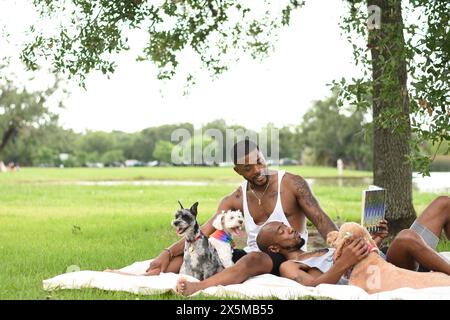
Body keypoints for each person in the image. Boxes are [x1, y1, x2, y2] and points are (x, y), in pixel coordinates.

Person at [148, 139, 370, 296]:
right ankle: (149, 276)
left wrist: (338, 241)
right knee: (182, 259)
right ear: (238, 171)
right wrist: (165, 254)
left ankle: (199, 287)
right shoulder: (235, 197)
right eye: (248, 168)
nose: (258, 170)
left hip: (284, 254)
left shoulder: (291, 184)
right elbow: (203, 231)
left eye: (260, 162)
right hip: (249, 256)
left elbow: (321, 219)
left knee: (253, 259)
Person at [256, 196, 450, 287]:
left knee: (443, 203)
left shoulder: (320, 250)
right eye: (282, 231)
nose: (290, 228)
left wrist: (376, 240)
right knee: (406, 237)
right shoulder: (290, 266)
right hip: (382, 275)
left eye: (286, 225)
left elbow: (364, 257)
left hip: (385, 261)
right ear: (274, 247)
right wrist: (344, 262)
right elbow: (315, 287)